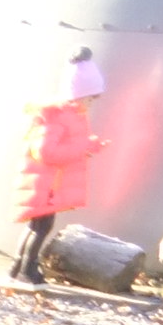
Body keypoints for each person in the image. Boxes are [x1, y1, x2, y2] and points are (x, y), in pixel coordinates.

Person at [12, 49, 108, 286]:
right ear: (79, 93)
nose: (92, 102)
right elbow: (46, 151)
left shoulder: (66, 114)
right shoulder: (59, 115)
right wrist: (84, 147)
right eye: (90, 97)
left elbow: (67, 145)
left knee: (37, 225)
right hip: (48, 183)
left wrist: (89, 146)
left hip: (47, 181)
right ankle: (27, 269)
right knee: (41, 226)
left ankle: (18, 266)